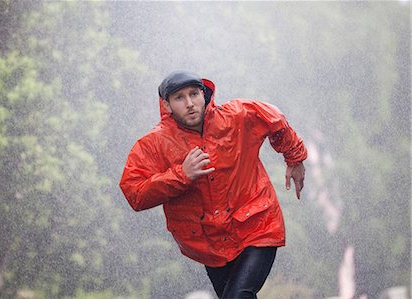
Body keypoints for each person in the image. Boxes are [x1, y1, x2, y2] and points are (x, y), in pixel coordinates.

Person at [119, 71, 307, 299]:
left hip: (257, 224)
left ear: (204, 95)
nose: (189, 103)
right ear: (166, 106)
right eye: (179, 98)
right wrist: (181, 175)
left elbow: (274, 118)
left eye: (194, 94)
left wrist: (295, 158)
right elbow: (135, 193)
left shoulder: (235, 116)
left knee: (238, 295)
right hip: (210, 245)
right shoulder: (155, 144)